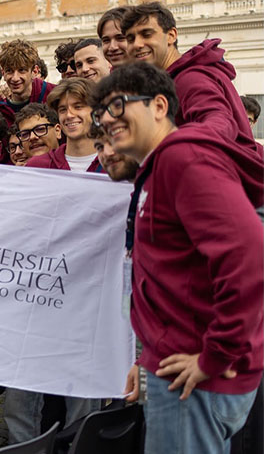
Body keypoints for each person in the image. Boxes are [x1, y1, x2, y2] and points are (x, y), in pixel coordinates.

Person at [91, 62, 263, 453]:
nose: (107, 118)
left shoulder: (183, 159)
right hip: (174, 368)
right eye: (102, 111)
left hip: (196, 381)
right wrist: (150, 358)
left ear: (159, 106)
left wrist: (215, 356)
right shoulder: (157, 168)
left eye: (118, 105)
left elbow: (250, 254)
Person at [122, 1, 261, 155]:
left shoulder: (189, 78)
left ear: (171, 36)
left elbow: (219, 120)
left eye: (146, 34)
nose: (137, 44)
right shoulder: (175, 78)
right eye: (130, 39)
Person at [26, 78, 101, 172]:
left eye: (78, 107)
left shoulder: (119, 162)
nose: (69, 115)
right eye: (62, 110)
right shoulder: (37, 167)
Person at [0, 39, 56, 127]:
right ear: (3, 73)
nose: (15, 78)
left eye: (21, 70)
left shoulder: (53, 95)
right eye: (9, 71)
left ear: (34, 71)